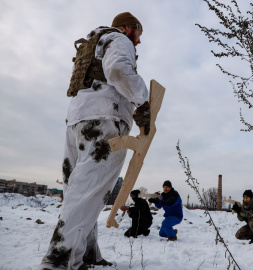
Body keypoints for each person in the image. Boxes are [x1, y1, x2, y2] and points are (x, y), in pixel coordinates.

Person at [41, 12, 150, 270]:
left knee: (78, 191)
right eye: (138, 33)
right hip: (104, 122)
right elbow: (117, 69)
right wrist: (142, 101)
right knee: (88, 193)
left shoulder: (92, 45)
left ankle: (87, 253)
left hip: (77, 121)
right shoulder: (119, 39)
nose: (139, 41)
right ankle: (58, 262)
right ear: (127, 28)